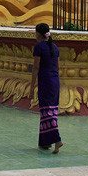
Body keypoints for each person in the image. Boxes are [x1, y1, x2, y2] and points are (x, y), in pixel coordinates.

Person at [29, 23, 63, 153]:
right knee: (51, 111)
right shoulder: (54, 47)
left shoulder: (39, 47)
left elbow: (36, 68)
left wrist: (32, 88)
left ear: (38, 34)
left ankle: (57, 139)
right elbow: (58, 67)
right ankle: (45, 142)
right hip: (54, 81)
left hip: (45, 81)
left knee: (46, 112)